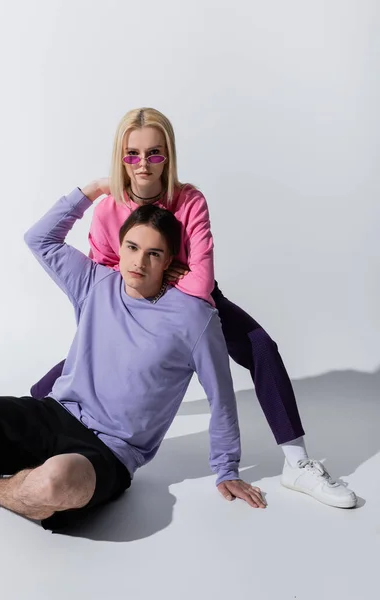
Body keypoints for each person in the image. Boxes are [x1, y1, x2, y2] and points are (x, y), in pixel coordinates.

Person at [29, 107, 357, 510]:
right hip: (131, 303)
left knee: (261, 348)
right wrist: (97, 188)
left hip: (192, 304)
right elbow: (101, 279)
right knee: (74, 371)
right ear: (120, 158)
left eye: (155, 153)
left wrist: (157, 281)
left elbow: (200, 283)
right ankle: (40, 429)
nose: (143, 165)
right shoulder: (107, 208)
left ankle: (298, 462)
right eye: (131, 154)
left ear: (168, 155)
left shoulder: (188, 200)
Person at [0, 185, 267, 532]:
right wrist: (95, 189)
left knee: (53, 483)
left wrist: (226, 468)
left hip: (108, 452)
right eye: (132, 247)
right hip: (53, 414)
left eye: (154, 254)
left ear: (169, 260)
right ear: (120, 246)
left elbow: (221, 396)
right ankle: (22, 485)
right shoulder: (95, 282)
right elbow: (40, 238)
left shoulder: (194, 318)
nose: (139, 262)